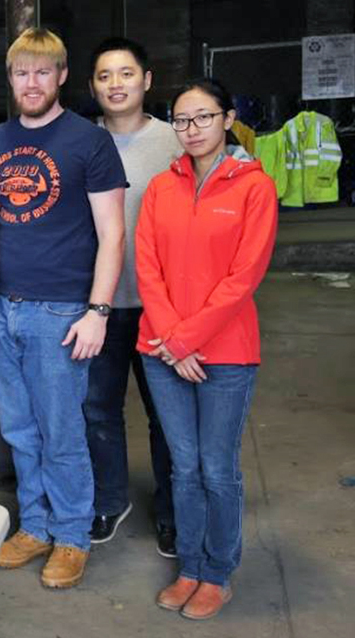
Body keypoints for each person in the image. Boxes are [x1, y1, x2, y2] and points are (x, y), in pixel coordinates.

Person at [0, 27, 126, 588]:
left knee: (61, 432)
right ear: (10, 79)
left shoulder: (89, 142)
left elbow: (113, 234)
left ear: (61, 76)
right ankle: (34, 526)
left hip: (61, 312)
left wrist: (98, 311)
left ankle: (72, 537)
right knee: (18, 430)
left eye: (42, 71)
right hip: (1, 304)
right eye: (20, 72)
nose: (30, 82)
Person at [137, 79, 276, 620]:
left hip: (226, 353)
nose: (191, 130)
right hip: (163, 351)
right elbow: (147, 268)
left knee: (218, 469)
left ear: (228, 118)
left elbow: (244, 277)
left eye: (203, 117)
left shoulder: (253, 188)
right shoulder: (160, 188)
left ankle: (218, 572)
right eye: (181, 119)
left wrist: (186, 339)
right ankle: (190, 566)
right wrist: (172, 339)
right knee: (184, 467)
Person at [84, 37, 182, 555]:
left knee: (164, 413)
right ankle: (109, 499)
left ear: (146, 80)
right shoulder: (79, 140)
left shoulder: (174, 141)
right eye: (104, 76)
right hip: (97, 307)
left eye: (126, 74)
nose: (115, 84)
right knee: (98, 409)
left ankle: (170, 511)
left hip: (158, 306)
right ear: (92, 86)